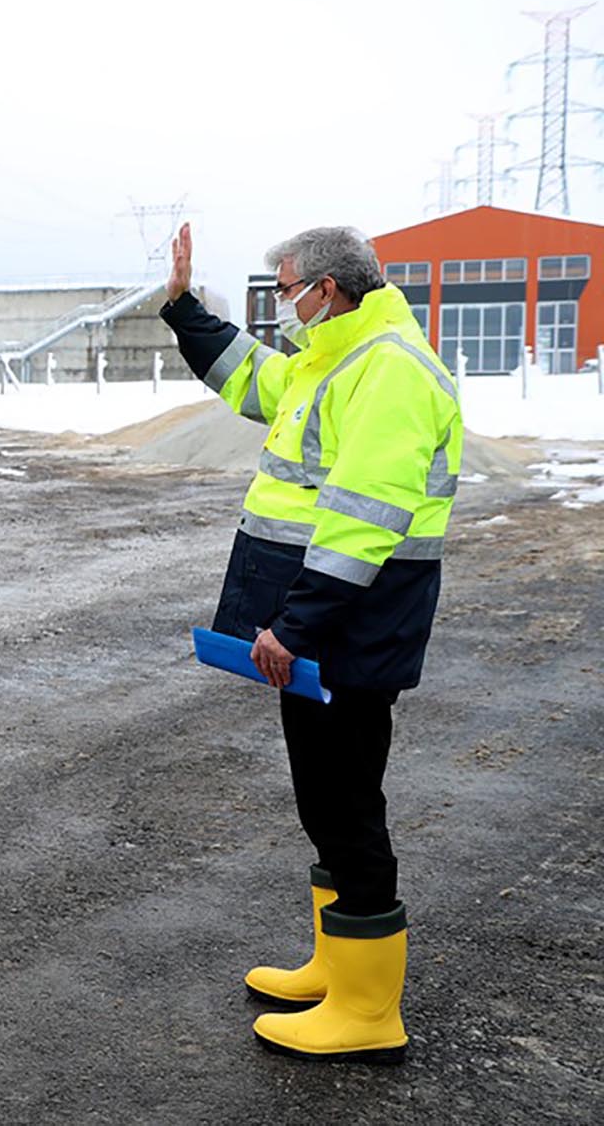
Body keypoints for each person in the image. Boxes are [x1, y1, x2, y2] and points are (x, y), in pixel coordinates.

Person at [160, 222, 459, 1064]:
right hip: (327, 624)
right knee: (325, 803)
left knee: (348, 807)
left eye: (286, 286)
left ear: (328, 289)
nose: (280, 302)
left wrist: (297, 626)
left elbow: (364, 521)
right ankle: (337, 969)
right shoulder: (334, 356)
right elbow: (253, 377)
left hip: (350, 626)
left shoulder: (390, 368)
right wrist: (184, 307)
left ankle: (369, 1011)